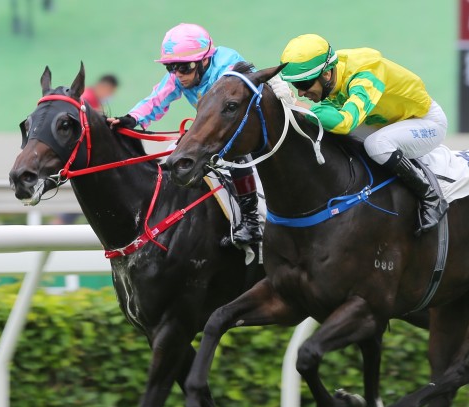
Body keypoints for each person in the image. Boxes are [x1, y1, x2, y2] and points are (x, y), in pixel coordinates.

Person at [277, 34, 449, 234]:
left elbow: (345, 123)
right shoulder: (332, 72)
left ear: (326, 75)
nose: (300, 93)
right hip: (386, 124)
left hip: (425, 122)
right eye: (295, 86)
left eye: (304, 85)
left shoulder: (365, 74)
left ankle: (431, 198)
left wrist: (297, 106)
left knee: (377, 145)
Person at [108, 23, 262, 246]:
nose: (178, 75)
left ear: (205, 60)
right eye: (171, 67)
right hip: (217, 130)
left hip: (247, 130)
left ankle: (251, 223)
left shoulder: (226, 69)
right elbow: (157, 99)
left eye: (184, 67)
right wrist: (131, 119)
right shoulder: (182, 74)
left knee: (234, 155)